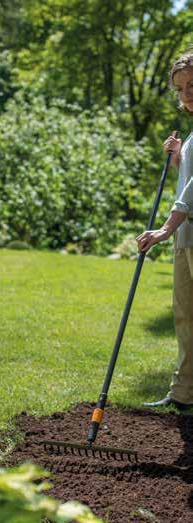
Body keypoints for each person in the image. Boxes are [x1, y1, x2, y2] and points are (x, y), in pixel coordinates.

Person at [136, 49, 193, 411]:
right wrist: (178, 160)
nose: (187, 93)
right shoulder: (190, 137)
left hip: (185, 233)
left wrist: (165, 228)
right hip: (188, 239)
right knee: (185, 315)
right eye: (181, 88)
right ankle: (184, 393)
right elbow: (186, 183)